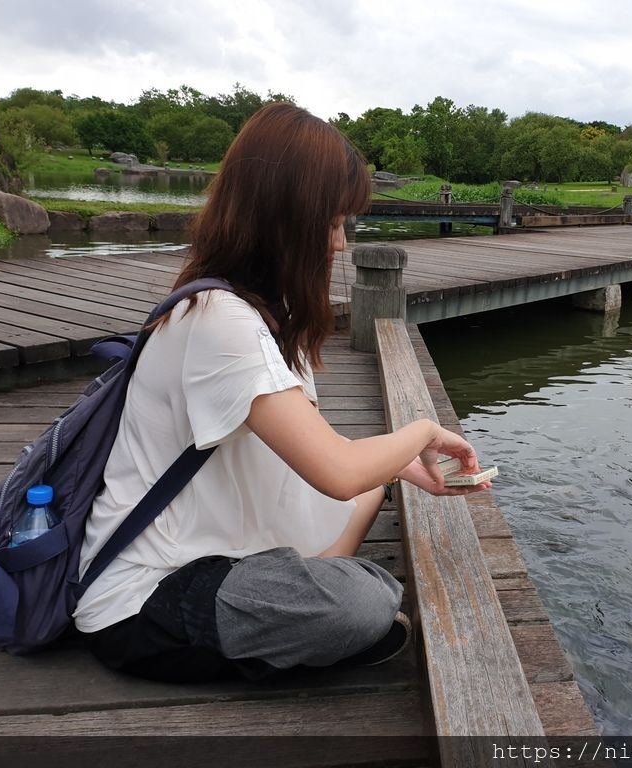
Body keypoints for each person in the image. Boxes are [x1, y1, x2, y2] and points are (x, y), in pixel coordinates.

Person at [73, 103, 491, 683]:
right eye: (330, 223)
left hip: (219, 546)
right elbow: (338, 472)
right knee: (362, 602)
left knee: (366, 497)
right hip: (147, 596)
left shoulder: (252, 311)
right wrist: (419, 432)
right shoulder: (220, 321)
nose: (340, 244)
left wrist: (396, 467)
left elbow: (317, 453)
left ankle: (301, 599)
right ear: (282, 218)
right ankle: (306, 609)